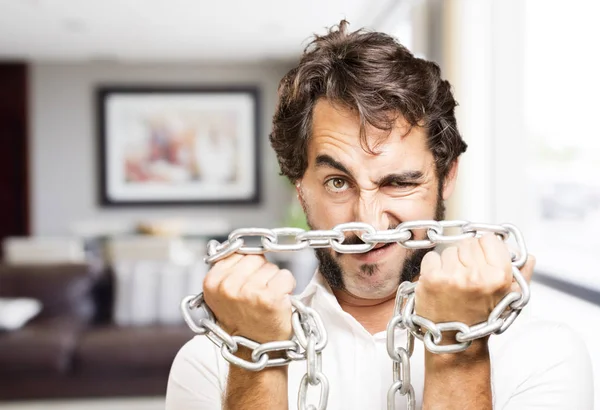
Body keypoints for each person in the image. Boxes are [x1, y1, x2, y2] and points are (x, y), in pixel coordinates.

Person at [165, 21, 593, 409]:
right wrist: (258, 358)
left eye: (399, 182)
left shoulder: (543, 354)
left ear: (446, 179)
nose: (367, 223)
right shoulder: (215, 362)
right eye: (337, 182)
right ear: (301, 188)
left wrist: (457, 350)